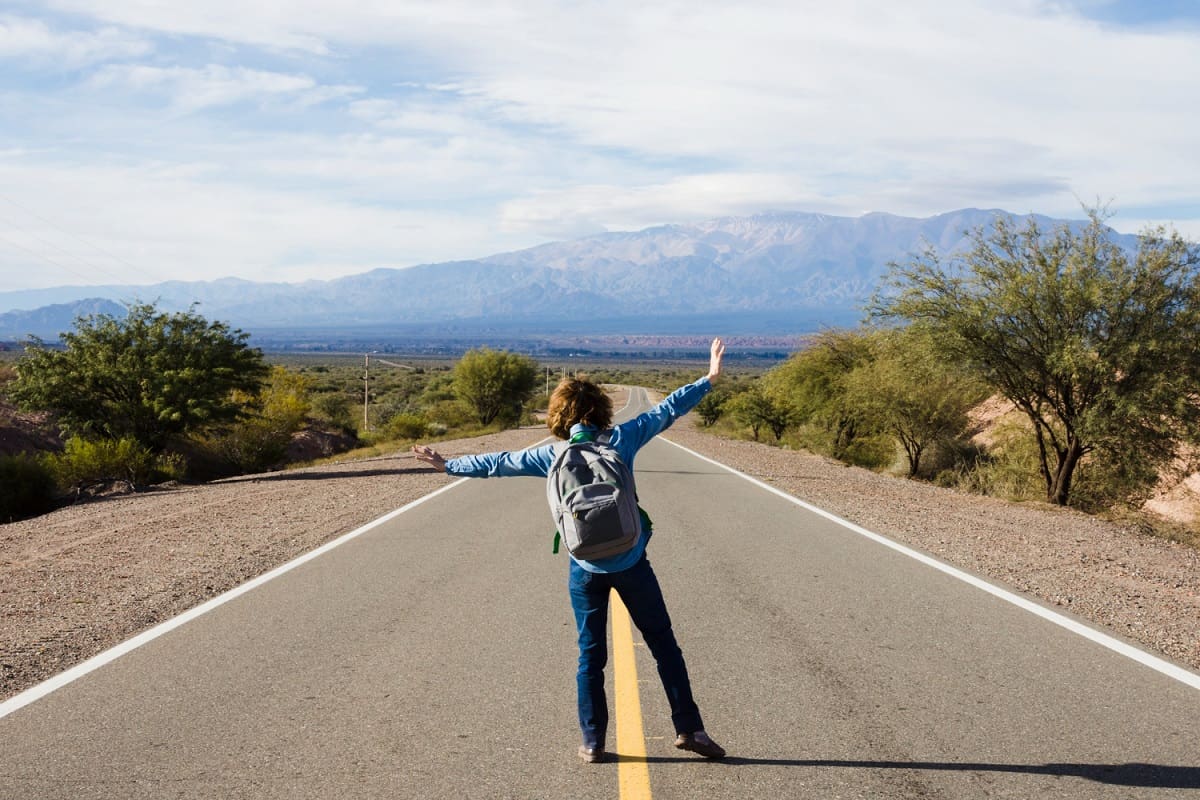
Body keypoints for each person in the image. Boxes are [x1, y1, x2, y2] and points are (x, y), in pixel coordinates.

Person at [413, 337, 727, 764]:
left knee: (590, 656)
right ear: (601, 409)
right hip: (632, 562)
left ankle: (593, 741)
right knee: (664, 646)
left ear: (559, 415)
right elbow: (666, 409)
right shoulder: (622, 440)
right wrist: (708, 377)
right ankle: (690, 729)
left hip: (585, 566)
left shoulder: (551, 454)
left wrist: (446, 463)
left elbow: (496, 463)